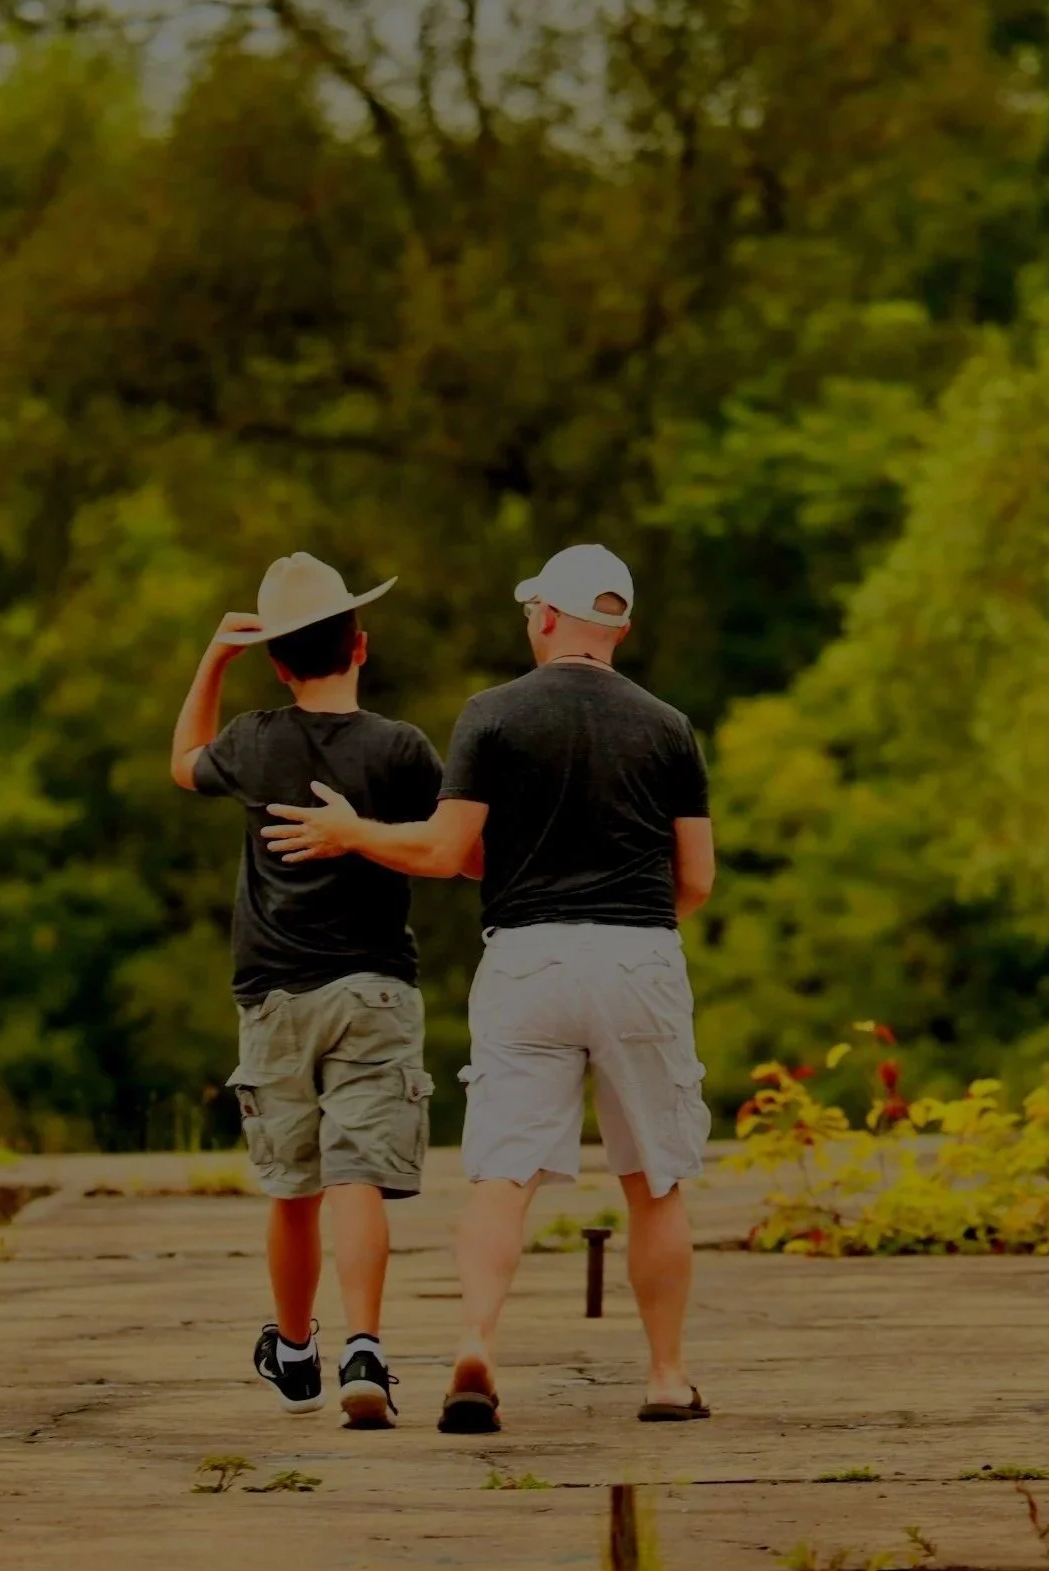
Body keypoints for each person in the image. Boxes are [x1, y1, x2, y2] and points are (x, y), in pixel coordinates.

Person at [261, 542, 717, 1434]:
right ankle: (666, 1377)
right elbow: (695, 879)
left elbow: (443, 853)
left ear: (547, 616)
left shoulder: (494, 716)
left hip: (528, 960)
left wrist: (354, 832)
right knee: (655, 1181)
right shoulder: (669, 727)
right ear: (618, 623)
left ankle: (476, 1343)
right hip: (640, 959)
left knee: (502, 1175)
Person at [169, 552, 447, 1429]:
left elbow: (183, 762)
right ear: (360, 646)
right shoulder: (402, 749)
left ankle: (296, 1352)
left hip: (275, 997)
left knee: (294, 1187)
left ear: (278, 664)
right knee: (358, 1175)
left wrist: (213, 661)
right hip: (374, 991)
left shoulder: (252, 741)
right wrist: (365, 834)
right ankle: (365, 1345)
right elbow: (449, 845)